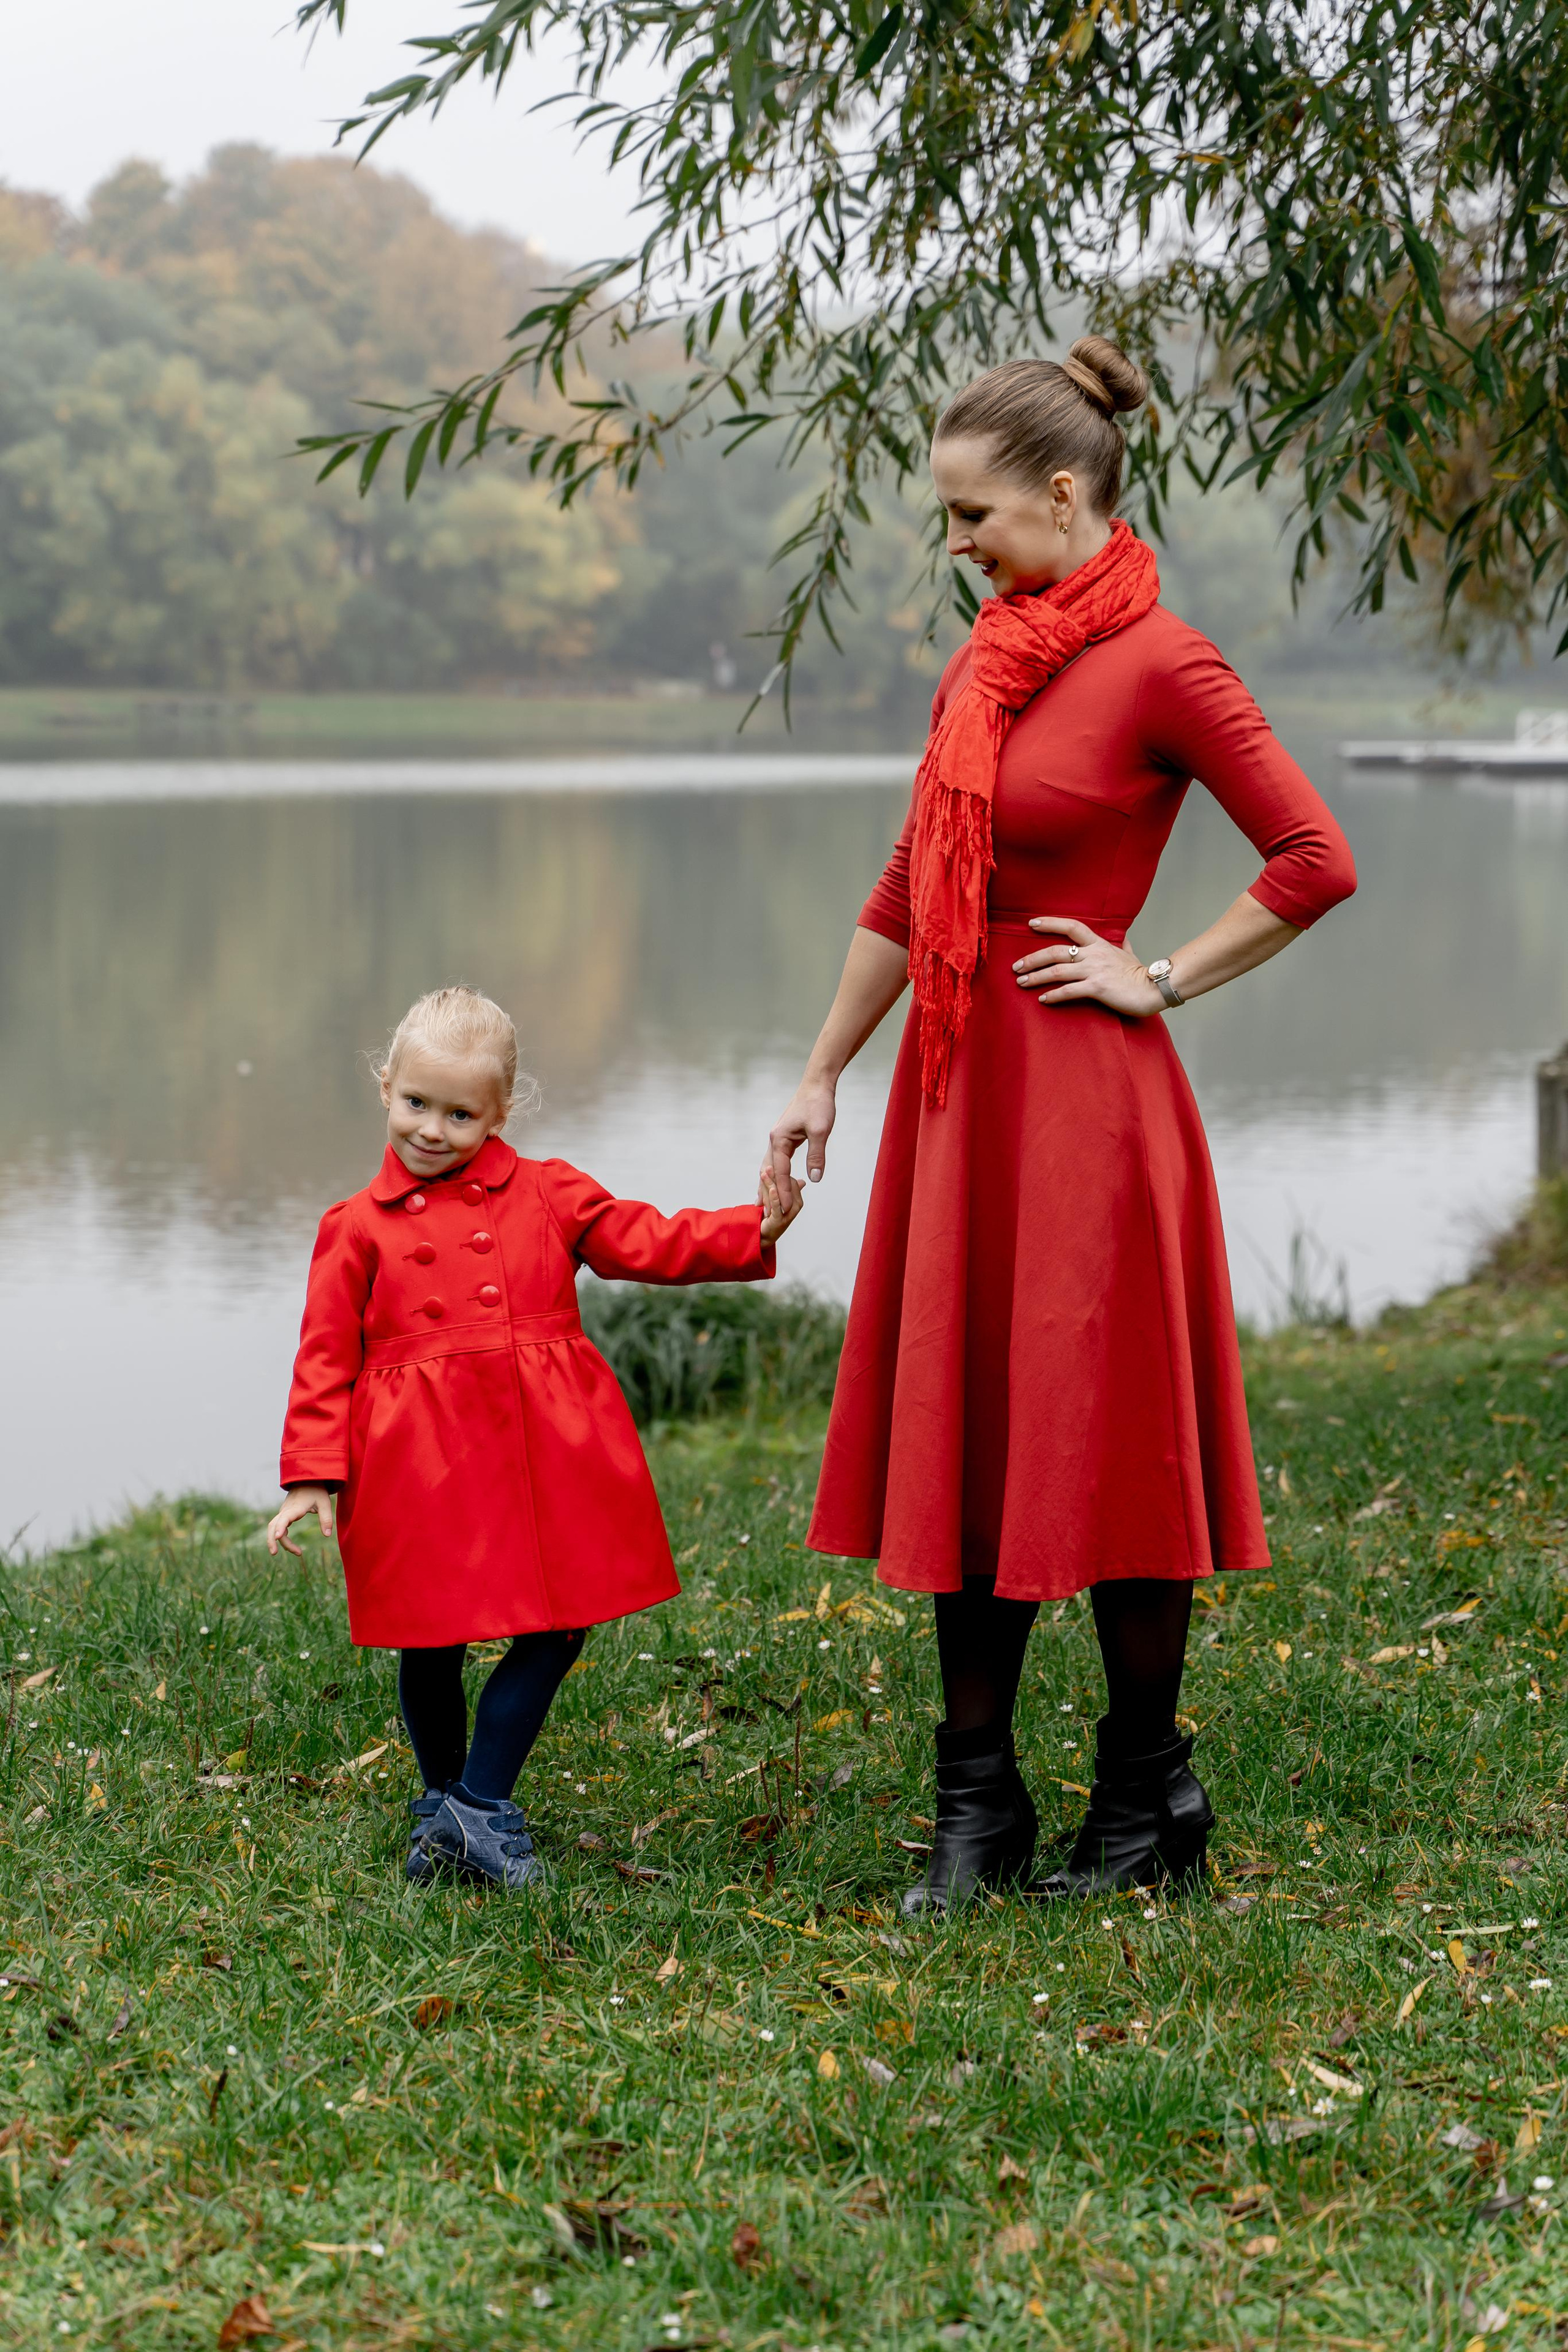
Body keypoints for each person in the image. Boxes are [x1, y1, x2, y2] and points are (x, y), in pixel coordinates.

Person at [766, 338, 1357, 1915]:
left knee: (1105, 1450)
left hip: (1089, 1106)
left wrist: (1154, 974)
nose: (953, 544)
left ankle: (1141, 1791)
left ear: (1061, 491)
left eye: (970, 515)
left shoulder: (1165, 663)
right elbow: (913, 881)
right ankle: (978, 1808)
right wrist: (824, 1068)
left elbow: (1310, 857)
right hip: (959, 1101)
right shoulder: (994, 656)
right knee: (968, 1441)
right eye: (944, 518)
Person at [268, 984, 799, 1891]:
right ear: (386, 1087)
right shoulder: (352, 1230)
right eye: (416, 1103)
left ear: (500, 1111)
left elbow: (649, 1239)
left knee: (556, 1626)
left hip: (537, 1447)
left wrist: (748, 1228)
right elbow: (323, 1357)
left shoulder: (548, 1192)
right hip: (415, 1460)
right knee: (427, 1637)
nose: (433, 1129)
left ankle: (473, 1807)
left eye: (461, 1112)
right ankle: (447, 1807)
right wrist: (312, 1474)